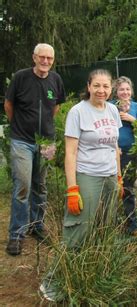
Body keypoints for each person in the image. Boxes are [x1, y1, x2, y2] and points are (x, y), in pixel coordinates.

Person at [4, 43, 66, 256]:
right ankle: (16, 234)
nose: (46, 61)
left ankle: (37, 226)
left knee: (41, 185)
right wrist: (18, 127)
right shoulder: (20, 77)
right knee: (23, 186)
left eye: (50, 58)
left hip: (46, 142)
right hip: (22, 140)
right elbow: (8, 105)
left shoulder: (55, 80)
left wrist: (45, 129)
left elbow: (56, 107)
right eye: (42, 57)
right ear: (34, 57)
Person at [62, 69, 123, 249]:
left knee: (107, 223)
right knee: (81, 226)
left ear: (111, 89)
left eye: (105, 86)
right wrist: (72, 189)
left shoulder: (112, 110)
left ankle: (98, 267)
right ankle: (62, 272)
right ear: (89, 86)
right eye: (96, 85)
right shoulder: (78, 112)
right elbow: (70, 152)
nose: (101, 90)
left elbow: (114, 147)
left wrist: (118, 177)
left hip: (110, 175)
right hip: (87, 174)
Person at [111, 76, 137, 236]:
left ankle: (134, 225)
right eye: (121, 89)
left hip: (133, 152)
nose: (125, 92)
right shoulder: (110, 106)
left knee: (130, 189)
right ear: (116, 92)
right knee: (118, 189)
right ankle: (118, 222)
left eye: (127, 89)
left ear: (131, 91)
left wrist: (132, 119)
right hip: (115, 153)